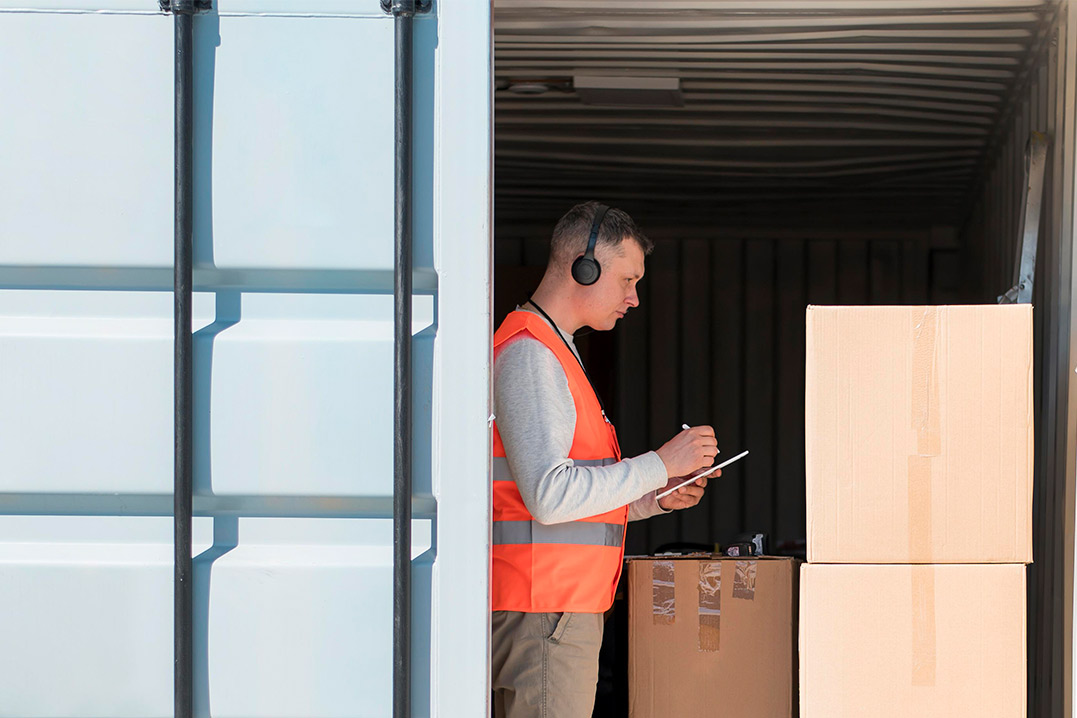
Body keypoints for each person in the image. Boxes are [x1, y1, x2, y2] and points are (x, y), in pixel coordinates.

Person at [490, 201, 719, 718]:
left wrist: (653, 498)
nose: (634, 299)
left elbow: (569, 496)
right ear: (584, 267)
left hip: (551, 611)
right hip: (544, 613)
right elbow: (551, 496)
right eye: (628, 280)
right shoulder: (532, 355)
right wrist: (659, 463)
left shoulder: (554, 351)